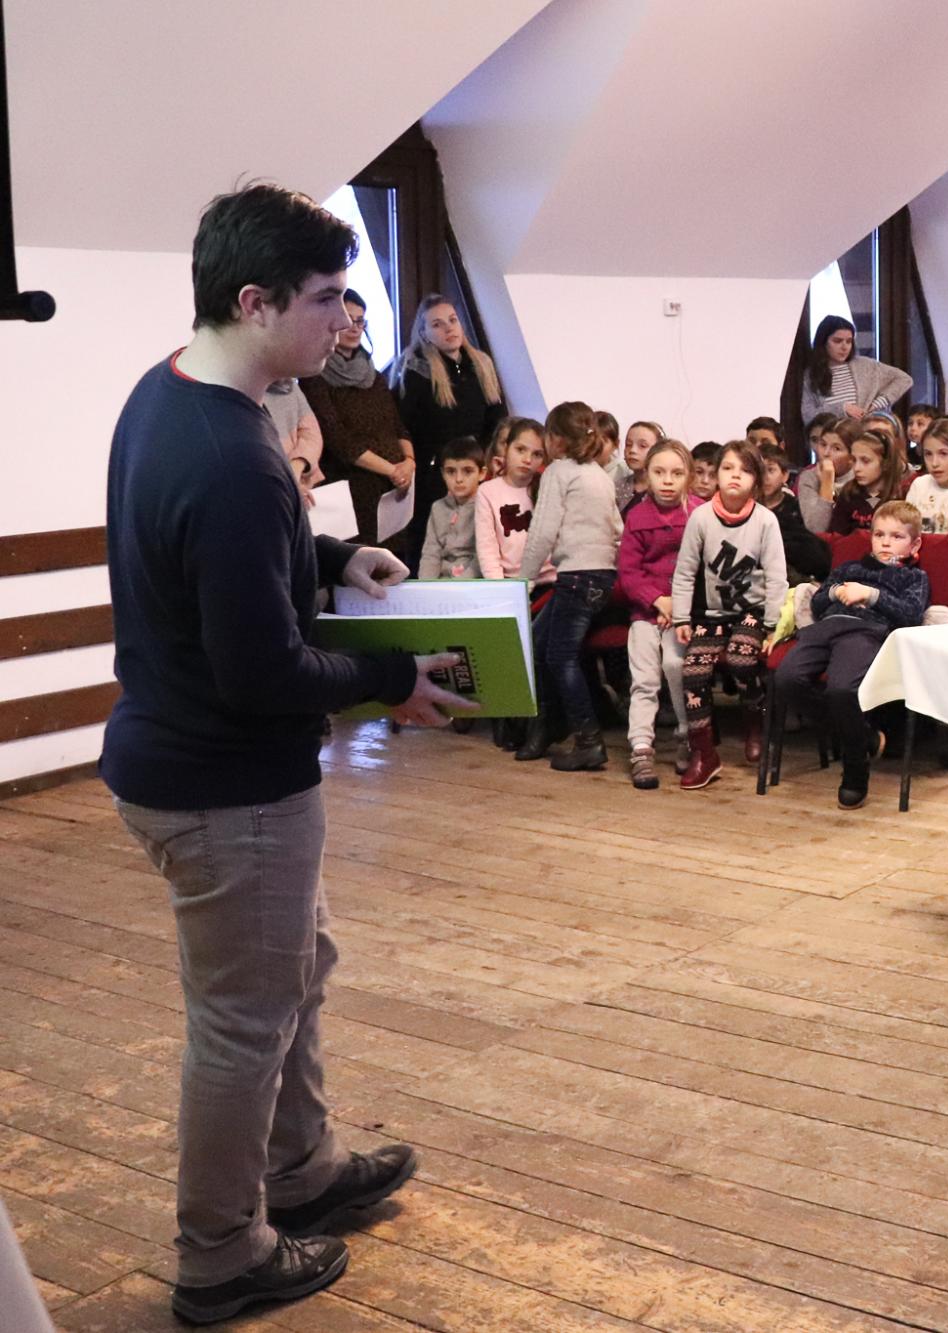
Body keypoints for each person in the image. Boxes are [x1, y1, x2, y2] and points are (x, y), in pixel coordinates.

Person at [103, 183, 463, 1327]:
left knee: (295, 970)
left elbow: (224, 568)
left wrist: (336, 560)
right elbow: (262, 673)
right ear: (254, 301)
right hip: (228, 786)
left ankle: (300, 1171)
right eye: (324, 300)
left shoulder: (170, 392)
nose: (344, 322)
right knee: (242, 1024)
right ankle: (220, 1253)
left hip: (188, 764)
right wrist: (390, 678)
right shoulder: (233, 452)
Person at [774, 500, 931, 809]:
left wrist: (871, 595)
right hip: (827, 627)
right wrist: (834, 592)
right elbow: (818, 601)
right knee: (787, 678)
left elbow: (912, 614)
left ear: (914, 545)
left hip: (866, 631)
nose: (885, 542)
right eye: (879, 534)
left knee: (842, 689)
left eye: (896, 536)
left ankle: (855, 768)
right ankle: (864, 737)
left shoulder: (914, 578)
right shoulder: (850, 568)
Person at [513, 402, 623, 772]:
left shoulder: (559, 472)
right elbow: (617, 529)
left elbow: (542, 531)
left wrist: (524, 580)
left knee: (560, 656)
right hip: (601, 578)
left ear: (556, 439)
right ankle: (547, 726)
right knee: (538, 644)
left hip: (576, 577)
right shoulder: (599, 475)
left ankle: (589, 740)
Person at [672, 440, 788, 788]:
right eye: (728, 468)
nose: (735, 476)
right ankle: (704, 753)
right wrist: (682, 617)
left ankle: (755, 719)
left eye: (745, 470)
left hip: (752, 612)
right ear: (716, 474)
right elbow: (685, 571)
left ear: (756, 479)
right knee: (692, 672)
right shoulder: (701, 517)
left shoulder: (765, 521)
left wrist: (772, 626)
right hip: (712, 613)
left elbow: (777, 577)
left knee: (741, 659)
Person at [388, 295, 506, 563]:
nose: (449, 328)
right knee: (433, 550)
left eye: (452, 320)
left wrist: (484, 459)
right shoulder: (416, 370)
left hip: (476, 469)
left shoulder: (480, 364)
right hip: (434, 475)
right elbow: (404, 426)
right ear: (424, 334)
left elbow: (497, 419)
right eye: (437, 324)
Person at [300, 290, 413, 546]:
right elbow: (338, 440)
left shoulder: (373, 374)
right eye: (348, 319)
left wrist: (409, 462)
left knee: (394, 562)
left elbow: (397, 426)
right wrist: (392, 470)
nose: (354, 327)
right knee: (358, 561)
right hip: (350, 491)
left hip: (392, 491)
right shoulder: (314, 375)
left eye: (360, 321)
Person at [617, 438, 696, 788]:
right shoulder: (637, 517)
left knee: (677, 667)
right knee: (644, 678)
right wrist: (656, 601)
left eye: (676, 473)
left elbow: (700, 568)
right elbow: (629, 573)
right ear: (646, 475)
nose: (667, 480)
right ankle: (641, 747)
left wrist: (678, 604)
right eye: (659, 472)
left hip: (684, 613)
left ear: (688, 476)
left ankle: (687, 736)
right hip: (646, 613)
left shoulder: (698, 514)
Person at [475, 418, 552, 583]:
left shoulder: (549, 485)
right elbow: (487, 548)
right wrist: (500, 588)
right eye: (520, 449)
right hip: (509, 582)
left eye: (537, 454)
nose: (527, 459)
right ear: (506, 448)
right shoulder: (487, 491)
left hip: (550, 581)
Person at [799, 315, 911, 425]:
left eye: (849, 341)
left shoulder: (866, 365)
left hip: (865, 432)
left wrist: (878, 403)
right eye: (837, 341)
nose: (844, 347)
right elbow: (808, 415)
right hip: (831, 434)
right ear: (823, 342)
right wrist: (842, 408)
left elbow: (905, 379)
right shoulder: (811, 374)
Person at [755, 441, 830, 582]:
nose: (765, 477)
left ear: (785, 475)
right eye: (760, 471)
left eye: (771, 470)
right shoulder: (749, 509)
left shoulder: (796, 508)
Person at [416, 437, 485, 579]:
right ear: (442, 474)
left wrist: (459, 586)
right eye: (451, 471)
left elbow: (483, 555)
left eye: (467, 471)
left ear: (481, 473)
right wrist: (426, 586)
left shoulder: (486, 506)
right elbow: (431, 553)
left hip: (474, 581)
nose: (458, 479)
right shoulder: (438, 508)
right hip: (443, 581)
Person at [828, 422, 906, 535]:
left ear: (886, 463)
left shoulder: (900, 495)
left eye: (865, 461)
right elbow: (836, 536)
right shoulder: (849, 493)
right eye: (854, 460)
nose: (857, 468)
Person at [263, 376, 325, 501]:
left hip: (304, 482)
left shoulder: (288, 384)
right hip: (272, 493)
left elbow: (311, 433)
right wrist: (288, 483)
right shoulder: (238, 394)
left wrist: (297, 465)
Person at [612, 420, 663, 513]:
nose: (632, 450)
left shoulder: (665, 489)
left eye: (642, 446)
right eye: (628, 444)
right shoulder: (616, 488)